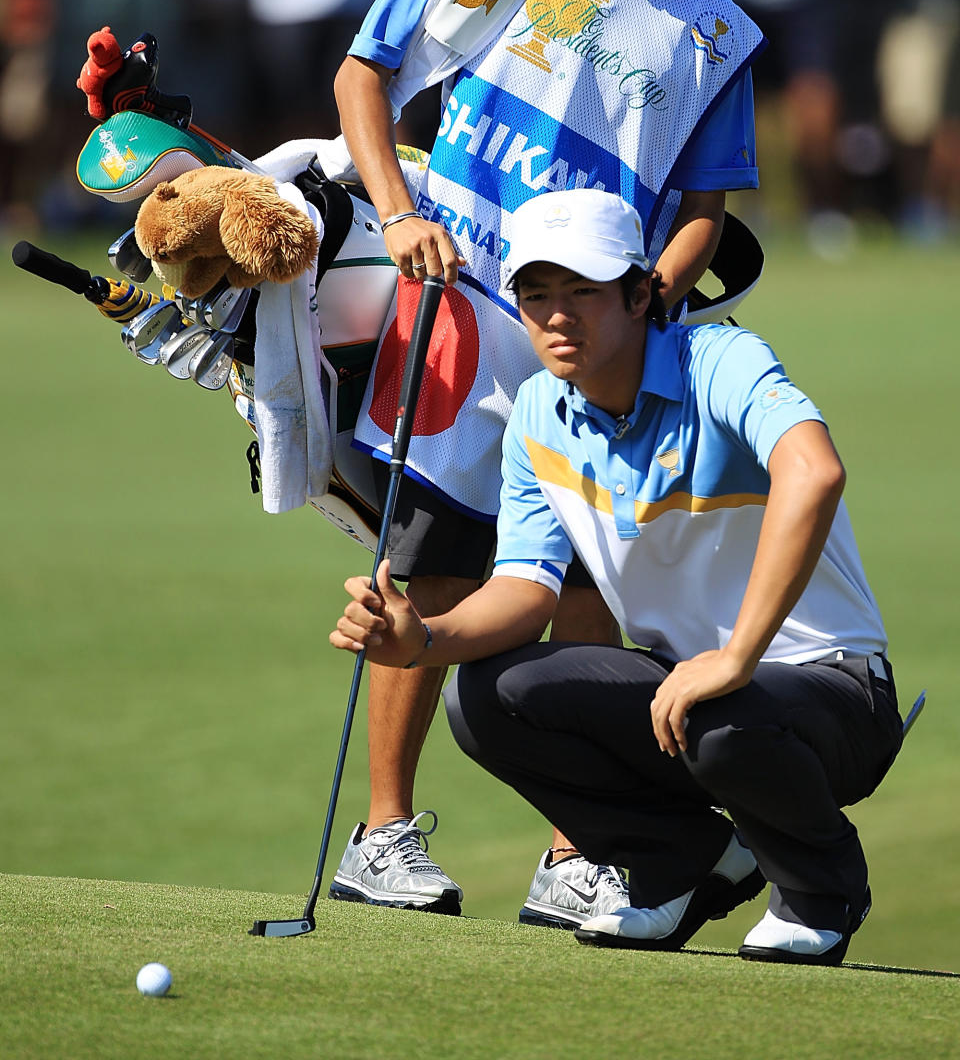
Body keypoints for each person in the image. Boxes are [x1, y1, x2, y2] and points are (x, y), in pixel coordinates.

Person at [329, 0, 765, 924]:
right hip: (459, 308)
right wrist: (399, 210)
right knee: (438, 562)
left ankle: (577, 850)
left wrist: (654, 299)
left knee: (586, 588)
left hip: (594, 340)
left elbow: (704, 210)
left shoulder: (715, 32)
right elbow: (364, 74)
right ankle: (381, 833)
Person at [331, 189, 903, 965]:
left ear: (642, 294)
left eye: (583, 292)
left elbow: (815, 472)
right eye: (536, 297)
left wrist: (734, 657)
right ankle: (681, 858)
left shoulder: (719, 360)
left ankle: (819, 885)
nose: (557, 316)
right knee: (487, 698)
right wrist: (423, 638)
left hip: (833, 694)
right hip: (687, 699)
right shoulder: (537, 411)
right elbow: (526, 590)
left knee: (715, 710)